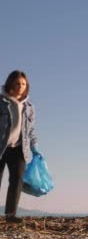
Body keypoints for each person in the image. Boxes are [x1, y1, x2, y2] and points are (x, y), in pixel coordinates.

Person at [0, 70, 39, 223]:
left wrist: (35, 146)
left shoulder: (29, 107)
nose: (20, 87)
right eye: (17, 83)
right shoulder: (2, 102)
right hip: (1, 148)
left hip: (19, 148)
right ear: (10, 83)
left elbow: (31, 130)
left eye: (23, 84)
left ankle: (10, 215)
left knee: (17, 181)